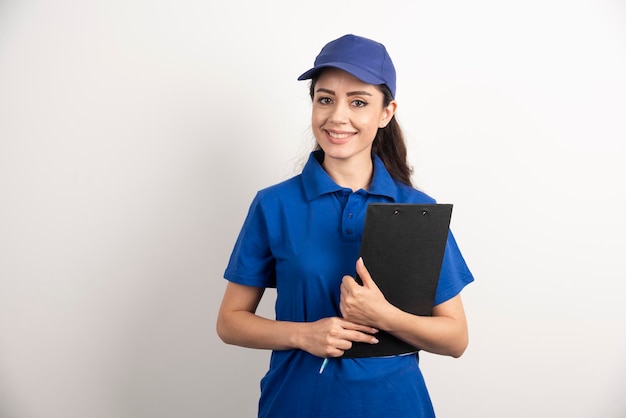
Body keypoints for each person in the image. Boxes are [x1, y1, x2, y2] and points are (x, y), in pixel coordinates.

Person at [216, 34, 474, 418]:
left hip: (396, 406)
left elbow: (455, 338)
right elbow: (230, 322)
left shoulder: (417, 209)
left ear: (386, 113)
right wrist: (303, 334)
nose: (337, 116)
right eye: (325, 99)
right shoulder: (274, 205)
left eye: (358, 101)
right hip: (296, 405)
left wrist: (382, 315)